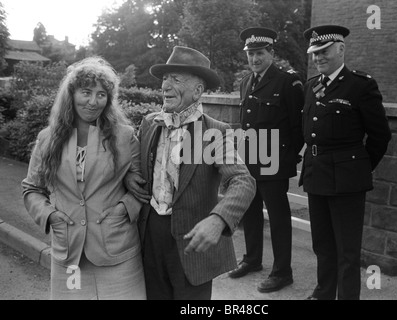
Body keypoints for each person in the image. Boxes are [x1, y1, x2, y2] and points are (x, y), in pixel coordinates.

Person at [125, 46, 256, 300]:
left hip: (191, 245)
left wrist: (218, 220)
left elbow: (243, 181)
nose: (165, 85)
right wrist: (131, 174)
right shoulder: (150, 123)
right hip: (149, 237)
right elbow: (134, 162)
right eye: (165, 78)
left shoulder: (215, 132)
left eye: (176, 79)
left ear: (198, 90)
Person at [21, 56, 146, 300]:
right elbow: (32, 189)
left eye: (101, 94)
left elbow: (141, 185)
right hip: (70, 256)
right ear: (71, 94)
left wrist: (124, 208)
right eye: (86, 92)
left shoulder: (125, 136)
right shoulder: (47, 139)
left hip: (118, 252)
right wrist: (50, 216)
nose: (93, 101)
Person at [300, 25, 392, 300]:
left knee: (347, 251)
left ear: (341, 49)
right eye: (314, 53)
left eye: (324, 51)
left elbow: (380, 136)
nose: (318, 57)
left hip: (347, 182)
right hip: (316, 175)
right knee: (322, 245)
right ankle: (323, 292)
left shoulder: (360, 86)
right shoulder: (311, 85)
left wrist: (357, 169)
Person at [227, 27, 304, 293]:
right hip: (250, 159)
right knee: (250, 212)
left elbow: (298, 126)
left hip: (275, 160)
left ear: (271, 53)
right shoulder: (246, 82)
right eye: (250, 54)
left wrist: (287, 160)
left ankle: (283, 272)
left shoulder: (288, 82)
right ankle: (252, 259)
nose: (254, 59)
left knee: (279, 217)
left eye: (259, 53)